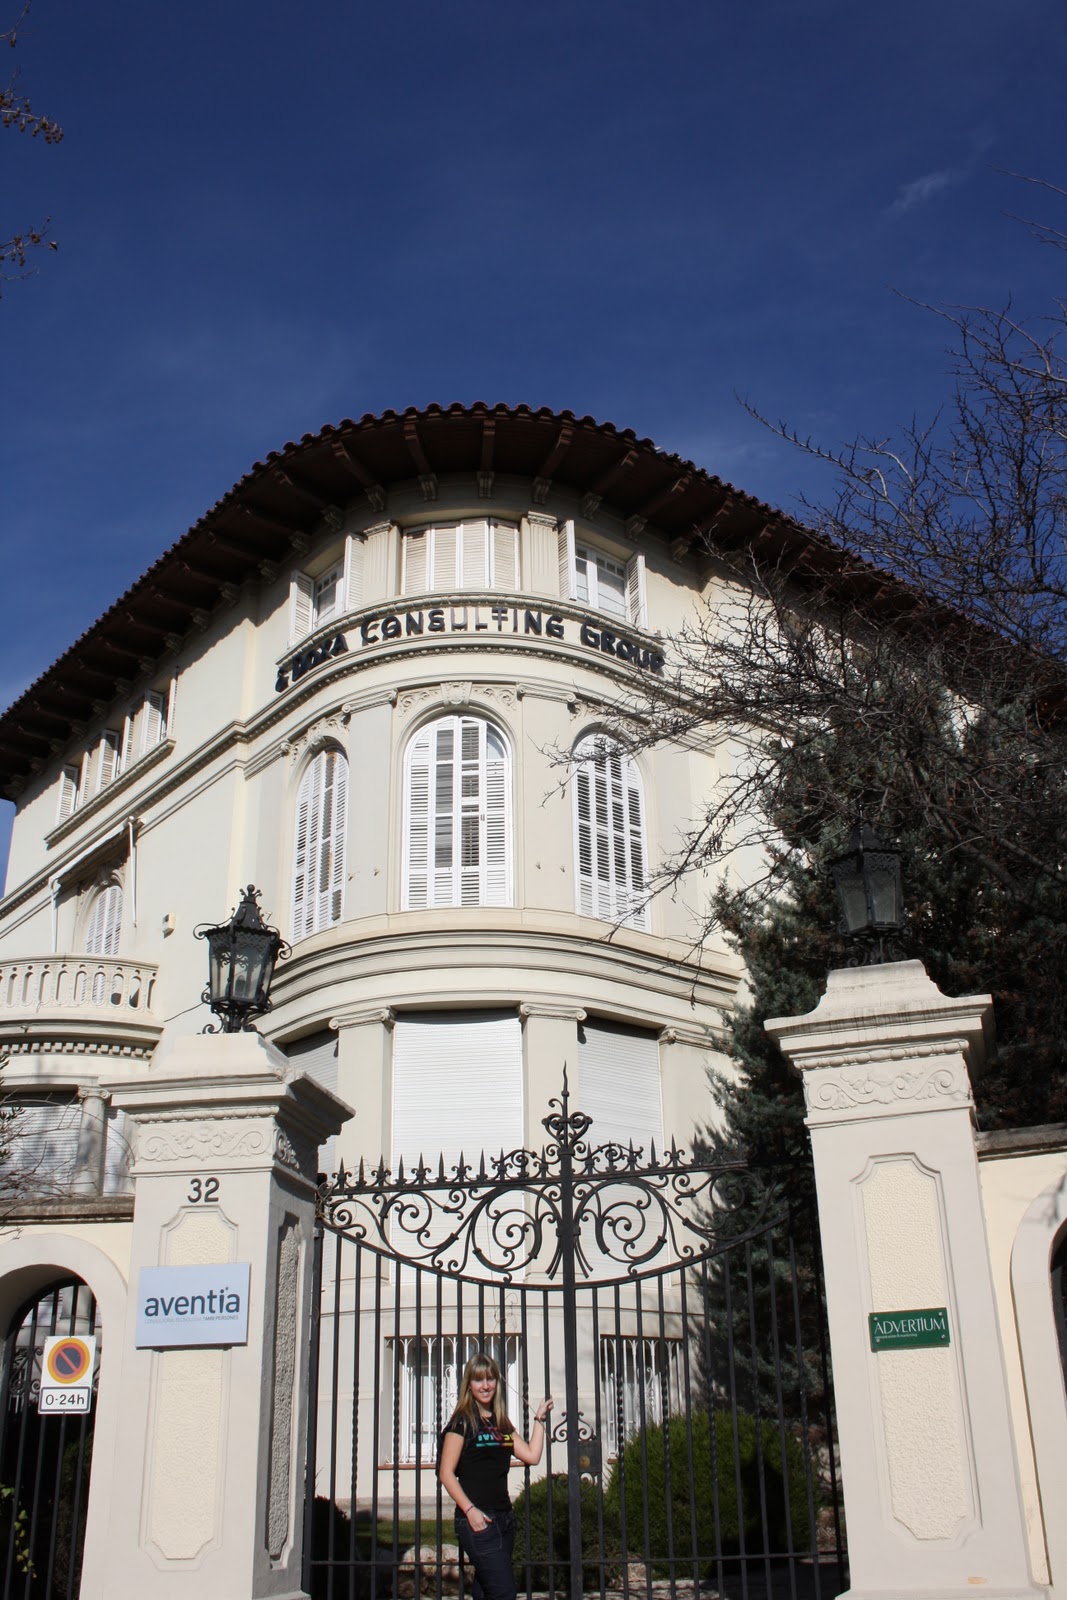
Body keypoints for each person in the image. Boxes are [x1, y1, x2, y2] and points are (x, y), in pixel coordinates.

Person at [438, 1352, 553, 1600]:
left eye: (491, 1379)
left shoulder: (502, 1424)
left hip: (504, 1520)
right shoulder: (462, 1423)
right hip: (477, 1520)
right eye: (479, 1380)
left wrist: (539, 1419)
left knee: (486, 1590)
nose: (486, 1385)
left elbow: (532, 1455)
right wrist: (470, 1511)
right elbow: (445, 1474)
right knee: (504, 1593)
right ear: (469, 1384)